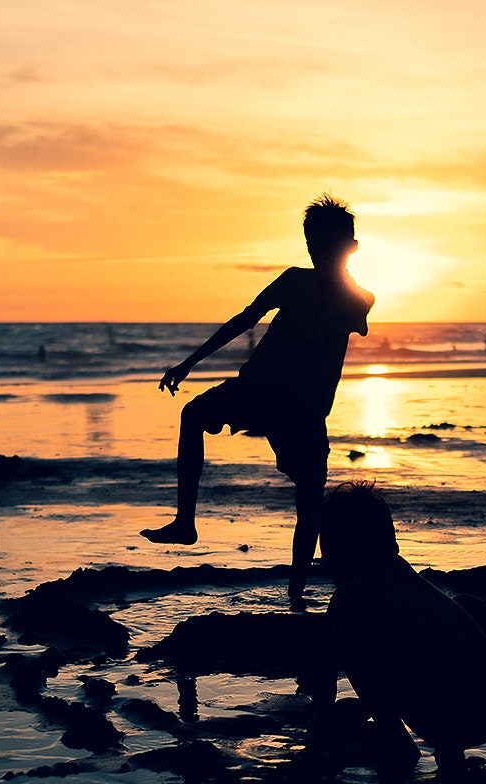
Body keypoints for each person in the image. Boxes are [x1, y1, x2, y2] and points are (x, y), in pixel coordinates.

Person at [140, 194, 374, 609]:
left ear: (335, 246)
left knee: (309, 502)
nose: (312, 249)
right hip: (274, 395)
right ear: (350, 247)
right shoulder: (351, 296)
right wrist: (189, 362)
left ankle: (296, 597)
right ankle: (187, 524)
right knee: (195, 416)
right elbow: (247, 320)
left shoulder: (320, 287)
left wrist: (189, 362)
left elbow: (245, 319)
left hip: (289, 404)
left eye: (316, 243)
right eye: (311, 243)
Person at [318, 482, 486, 771]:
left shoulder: (351, 596)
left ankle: (395, 741)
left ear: (339, 551)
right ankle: (450, 758)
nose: (325, 559)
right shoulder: (403, 575)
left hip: (462, 706)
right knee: (393, 648)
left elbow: (328, 668)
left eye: (328, 547)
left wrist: (322, 728)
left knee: (352, 648)